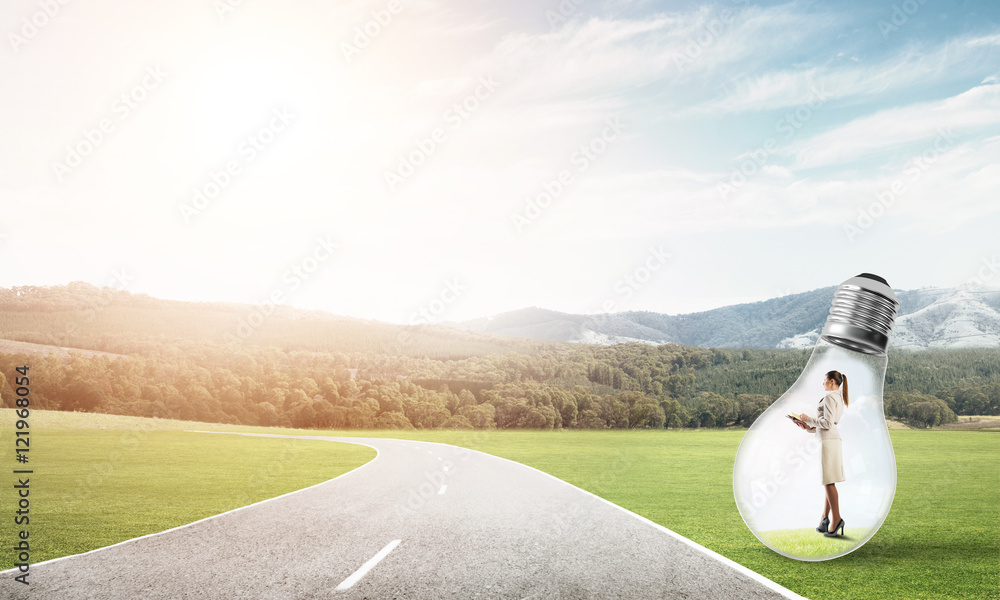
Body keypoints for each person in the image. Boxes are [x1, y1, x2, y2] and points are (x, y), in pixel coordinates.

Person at [792, 370, 848, 537]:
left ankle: (836, 519)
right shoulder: (838, 397)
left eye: (824, 380)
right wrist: (808, 427)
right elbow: (826, 425)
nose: (822, 383)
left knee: (828, 481)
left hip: (828, 442)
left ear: (832, 381)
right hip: (831, 440)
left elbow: (828, 423)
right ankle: (824, 519)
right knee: (828, 480)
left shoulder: (831, 397)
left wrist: (807, 418)